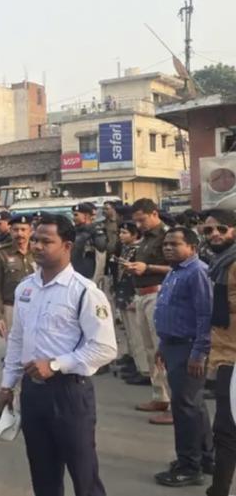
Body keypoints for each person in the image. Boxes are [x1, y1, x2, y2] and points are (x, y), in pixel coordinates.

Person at [0, 213, 117, 496]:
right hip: (33, 393)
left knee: (83, 474)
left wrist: (56, 364)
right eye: (35, 239)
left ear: (67, 245)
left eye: (46, 241)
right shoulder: (25, 288)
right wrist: (7, 384)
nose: (36, 245)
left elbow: (105, 347)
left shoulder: (84, 292)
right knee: (43, 475)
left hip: (70, 394)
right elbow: (17, 339)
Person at [153, 227, 214, 487]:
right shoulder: (177, 271)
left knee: (185, 407)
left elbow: (205, 315)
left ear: (192, 247)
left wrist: (199, 353)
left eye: (175, 244)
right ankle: (205, 456)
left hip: (188, 347)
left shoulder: (197, 272)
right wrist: (162, 344)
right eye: (166, 244)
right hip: (172, 345)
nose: (168, 248)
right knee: (193, 404)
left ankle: (190, 467)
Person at [124, 198, 172, 423]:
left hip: (159, 294)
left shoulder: (168, 236)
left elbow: (178, 266)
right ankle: (159, 395)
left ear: (154, 214)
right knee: (150, 349)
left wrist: (148, 267)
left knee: (163, 350)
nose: (139, 225)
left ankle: (174, 403)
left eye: (142, 220)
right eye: (136, 221)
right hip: (143, 295)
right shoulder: (145, 239)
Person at [203, 210, 236, 496]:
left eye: (221, 229)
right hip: (225, 354)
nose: (214, 234)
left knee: (225, 430)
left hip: (233, 358)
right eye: (208, 231)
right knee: (225, 429)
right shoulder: (220, 265)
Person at [112, 222, 149, 383]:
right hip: (123, 293)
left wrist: (134, 295)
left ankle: (145, 371)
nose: (121, 235)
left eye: (125, 232)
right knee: (131, 335)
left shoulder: (138, 250)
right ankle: (137, 365)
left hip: (132, 295)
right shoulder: (125, 249)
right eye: (120, 232)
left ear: (135, 235)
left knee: (138, 335)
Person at [0, 214, 36, 342]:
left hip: (37, 307)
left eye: (23, 229)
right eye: (15, 230)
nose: (19, 234)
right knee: (14, 348)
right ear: (10, 231)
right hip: (11, 307)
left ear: (31, 232)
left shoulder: (39, 251)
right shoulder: (1, 253)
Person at [71, 202, 108, 280]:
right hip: (74, 271)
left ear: (86, 216)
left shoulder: (96, 229)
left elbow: (101, 246)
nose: (73, 218)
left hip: (89, 273)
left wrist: (91, 231)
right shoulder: (73, 230)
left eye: (76, 215)